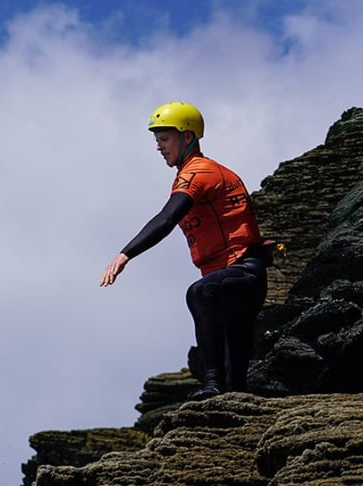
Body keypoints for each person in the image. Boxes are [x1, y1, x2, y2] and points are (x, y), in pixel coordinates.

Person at [100, 101, 268, 400]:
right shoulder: (191, 172)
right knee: (236, 386)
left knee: (200, 293)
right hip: (229, 279)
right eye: (157, 140)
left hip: (242, 273)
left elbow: (167, 217)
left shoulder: (199, 172)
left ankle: (212, 383)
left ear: (187, 137)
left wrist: (125, 254)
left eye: (164, 139)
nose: (159, 147)